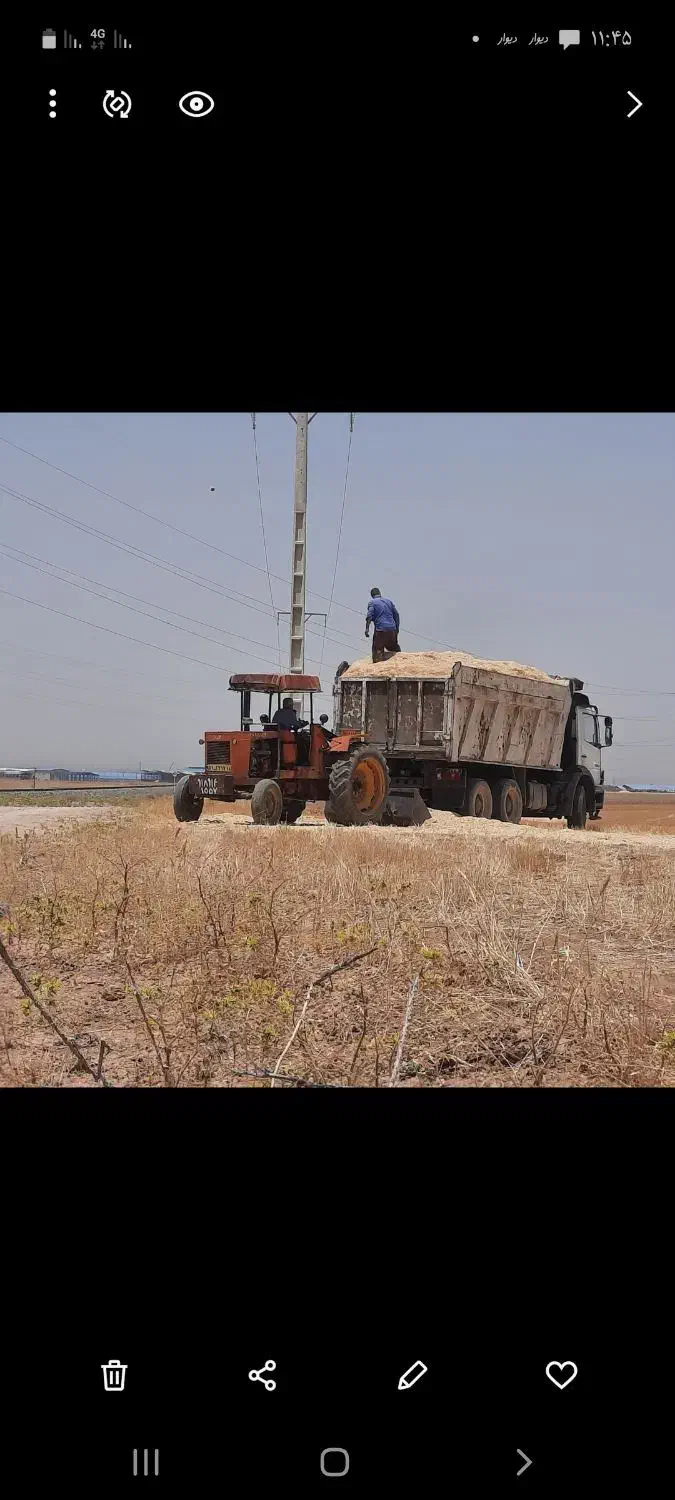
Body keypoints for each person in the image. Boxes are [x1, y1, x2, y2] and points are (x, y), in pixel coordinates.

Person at [365, 587, 401, 663]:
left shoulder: (372, 602)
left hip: (381, 630)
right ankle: (400, 663)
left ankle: (377, 667)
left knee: (377, 649)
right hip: (392, 630)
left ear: (372, 595)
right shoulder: (389, 601)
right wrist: (396, 629)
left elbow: (369, 616)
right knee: (394, 648)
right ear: (379, 593)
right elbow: (396, 615)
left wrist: (367, 629)